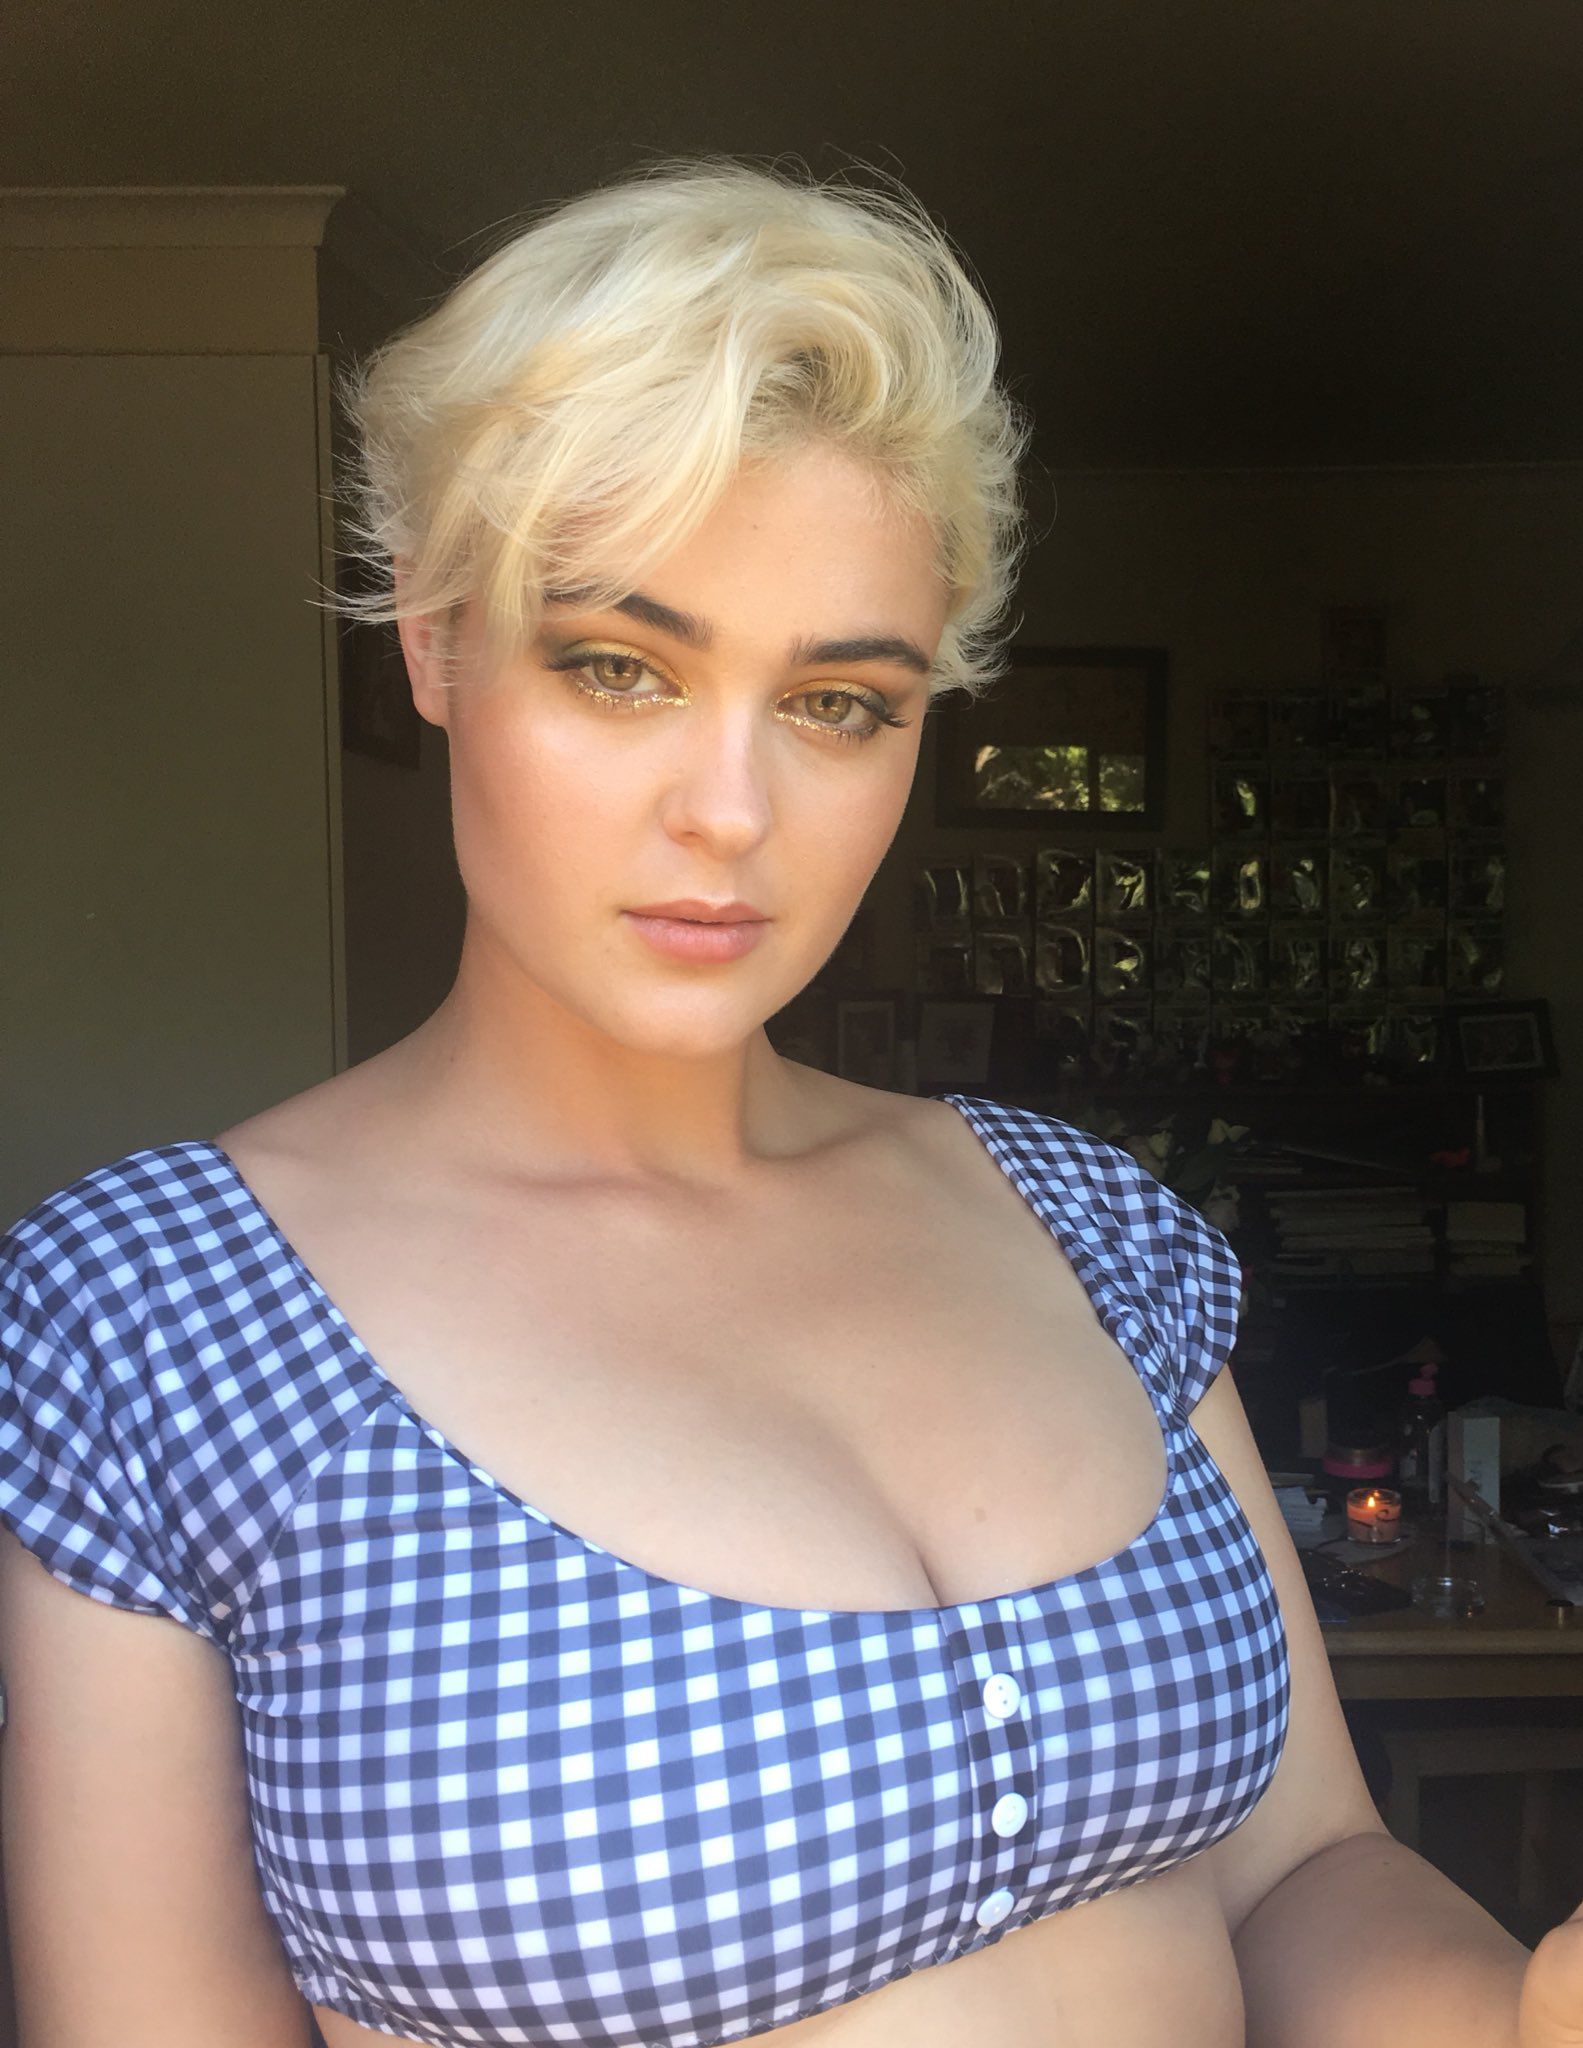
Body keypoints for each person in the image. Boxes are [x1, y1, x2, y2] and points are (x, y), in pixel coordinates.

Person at [0, 154, 1578, 2048]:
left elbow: (1301, 1871)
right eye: (619, 668)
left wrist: (1523, 2014)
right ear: (431, 638)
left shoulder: (1087, 1222)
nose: (730, 814)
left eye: (838, 703)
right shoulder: (151, 1321)